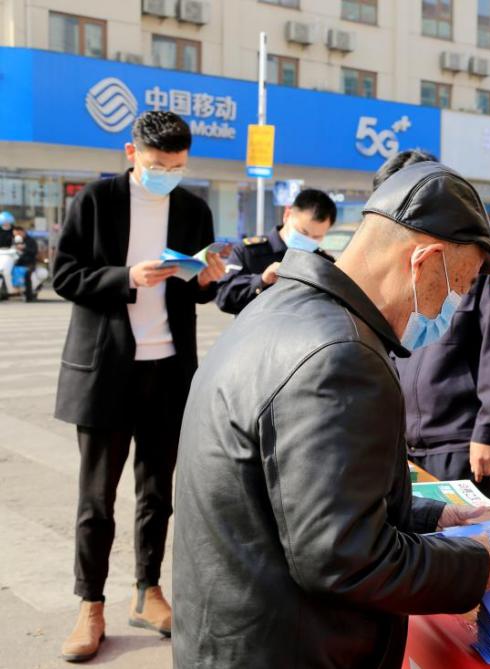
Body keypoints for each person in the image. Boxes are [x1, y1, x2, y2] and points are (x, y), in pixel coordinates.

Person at [172, 161, 490, 669]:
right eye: (458, 286)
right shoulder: (341, 355)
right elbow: (343, 558)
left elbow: (302, 495)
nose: (455, 303)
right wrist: (474, 566)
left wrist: (430, 515)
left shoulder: (281, 309)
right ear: (424, 262)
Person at [52, 111, 226, 663]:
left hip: (169, 370)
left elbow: (195, 294)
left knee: (157, 494)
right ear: (132, 153)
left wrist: (205, 279)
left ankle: (147, 591)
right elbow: (65, 276)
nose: (166, 174)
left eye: (176, 166)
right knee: (95, 500)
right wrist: (124, 277)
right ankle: (90, 605)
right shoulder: (96, 202)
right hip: (106, 370)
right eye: (156, 165)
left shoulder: (194, 209)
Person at [375, 150, 490, 502]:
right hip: (401, 439)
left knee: (461, 543)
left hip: (458, 441)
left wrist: (489, 432)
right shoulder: (402, 256)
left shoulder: (485, 257)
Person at [215, 188, 337, 314]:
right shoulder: (249, 251)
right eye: (303, 232)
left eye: (316, 237)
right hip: (257, 332)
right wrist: (261, 281)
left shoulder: (324, 263)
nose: (308, 240)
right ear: (287, 215)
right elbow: (223, 298)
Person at [12, 225, 40, 302]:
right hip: (17, 263)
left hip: (29, 263)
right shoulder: (13, 241)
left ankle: (29, 296)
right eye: (15, 234)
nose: (17, 235)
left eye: (19, 233)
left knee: (27, 275)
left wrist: (24, 248)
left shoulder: (30, 240)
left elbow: (34, 252)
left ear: (23, 232)